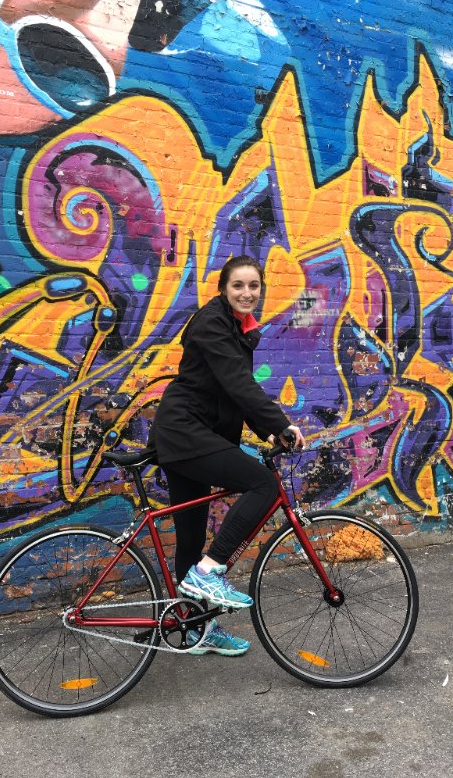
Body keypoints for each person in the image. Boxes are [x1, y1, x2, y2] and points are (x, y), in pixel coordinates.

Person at [148, 255, 305, 656]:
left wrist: (269, 431)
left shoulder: (235, 327)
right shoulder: (211, 323)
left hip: (189, 435)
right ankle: (211, 570)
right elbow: (238, 383)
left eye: (254, 286)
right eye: (238, 286)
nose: (247, 293)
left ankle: (195, 629)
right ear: (223, 289)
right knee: (263, 485)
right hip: (186, 435)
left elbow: (230, 395)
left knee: (190, 536)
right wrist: (281, 423)